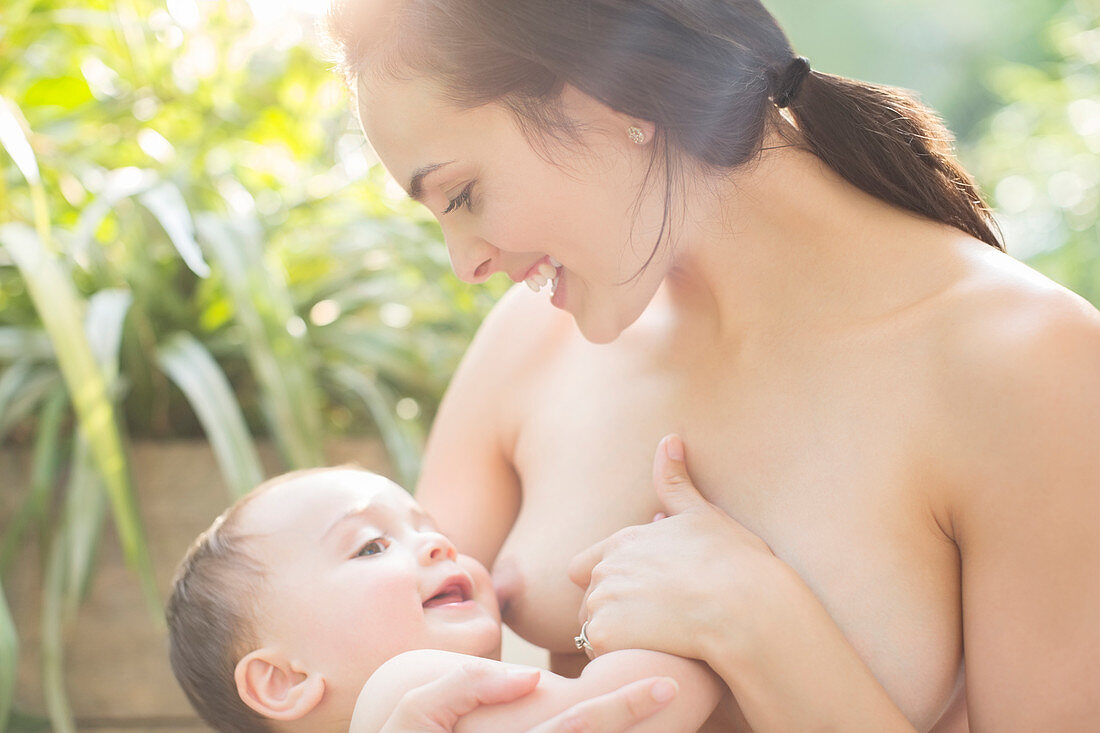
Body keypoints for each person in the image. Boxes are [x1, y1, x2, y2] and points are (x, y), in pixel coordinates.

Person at [323, 0, 1100, 729]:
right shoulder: (527, 344)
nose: (466, 263)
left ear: (602, 98)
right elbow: (364, 664)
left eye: (462, 195)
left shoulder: (1026, 365)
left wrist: (758, 625)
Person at [165, 466, 722, 733]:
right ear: (284, 679)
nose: (437, 545)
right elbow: (651, 704)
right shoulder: (403, 687)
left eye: (429, 527)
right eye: (371, 546)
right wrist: (678, 580)